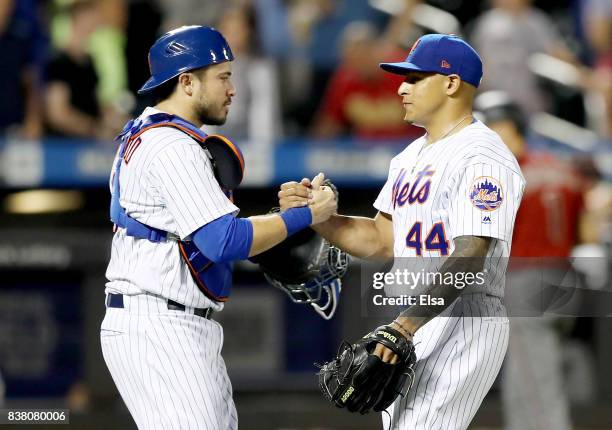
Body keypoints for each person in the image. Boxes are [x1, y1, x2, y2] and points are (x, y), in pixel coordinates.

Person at [280, 34, 525, 429]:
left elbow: (471, 252)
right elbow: (379, 239)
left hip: (461, 317)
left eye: (414, 78)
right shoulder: (410, 156)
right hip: (414, 318)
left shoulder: (482, 155)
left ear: (450, 83)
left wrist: (404, 327)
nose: (401, 87)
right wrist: (319, 217)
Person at [100, 25, 337, 430]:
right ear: (187, 82)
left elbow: (209, 229)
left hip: (168, 322)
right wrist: (307, 216)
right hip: (160, 326)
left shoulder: (153, 133)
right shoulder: (172, 146)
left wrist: (279, 215)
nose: (232, 89)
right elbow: (222, 240)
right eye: (223, 77)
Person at [475, 91, 586, 430]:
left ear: (507, 126)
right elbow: (585, 226)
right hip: (566, 277)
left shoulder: (503, 173)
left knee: (536, 380)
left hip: (525, 279)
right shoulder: (559, 168)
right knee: (526, 371)